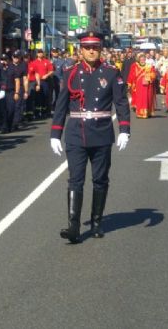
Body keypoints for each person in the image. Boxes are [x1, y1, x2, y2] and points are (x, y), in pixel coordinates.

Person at [50, 31, 131, 243]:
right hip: (76, 133)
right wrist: (55, 134)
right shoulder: (71, 73)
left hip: (102, 133)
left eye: (95, 47)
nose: (91, 51)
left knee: (100, 180)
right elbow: (61, 105)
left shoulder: (111, 72)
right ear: (81, 50)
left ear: (100, 49)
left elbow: (121, 102)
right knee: (75, 179)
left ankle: (96, 222)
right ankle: (73, 226)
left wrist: (124, 129)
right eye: (87, 48)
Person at [127, 52, 156, 119]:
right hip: (138, 86)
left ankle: (147, 112)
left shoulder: (149, 66)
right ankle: (140, 113)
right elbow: (131, 75)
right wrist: (129, 83)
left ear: (145, 59)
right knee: (140, 99)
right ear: (139, 59)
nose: (142, 59)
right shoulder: (135, 66)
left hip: (147, 86)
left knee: (147, 98)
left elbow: (153, 75)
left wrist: (148, 77)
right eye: (141, 58)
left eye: (143, 58)